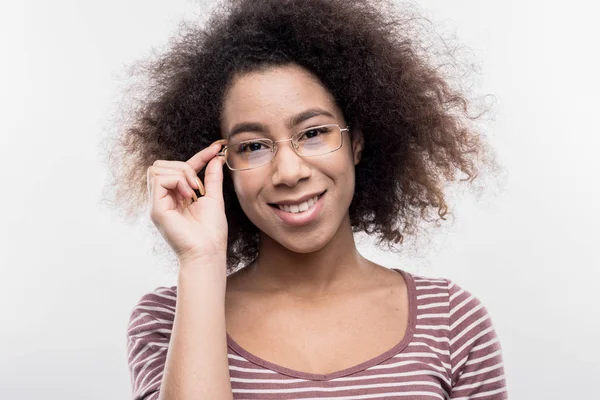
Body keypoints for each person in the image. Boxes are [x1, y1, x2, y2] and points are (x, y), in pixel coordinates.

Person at [114, 0, 507, 398]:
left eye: (313, 133)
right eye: (252, 146)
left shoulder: (452, 322)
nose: (289, 172)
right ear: (218, 164)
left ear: (356, 143)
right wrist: (200, 262)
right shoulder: (168, 321)